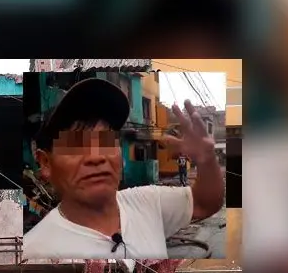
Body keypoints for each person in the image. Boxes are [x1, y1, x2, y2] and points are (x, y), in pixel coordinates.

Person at [22, 77, 225, 260]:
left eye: (106, 142)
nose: (97, 157)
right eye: (76, 145)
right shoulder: (34, 255)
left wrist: (206, 159)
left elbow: (205, 203)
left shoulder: (148, 202)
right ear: (45, 162)